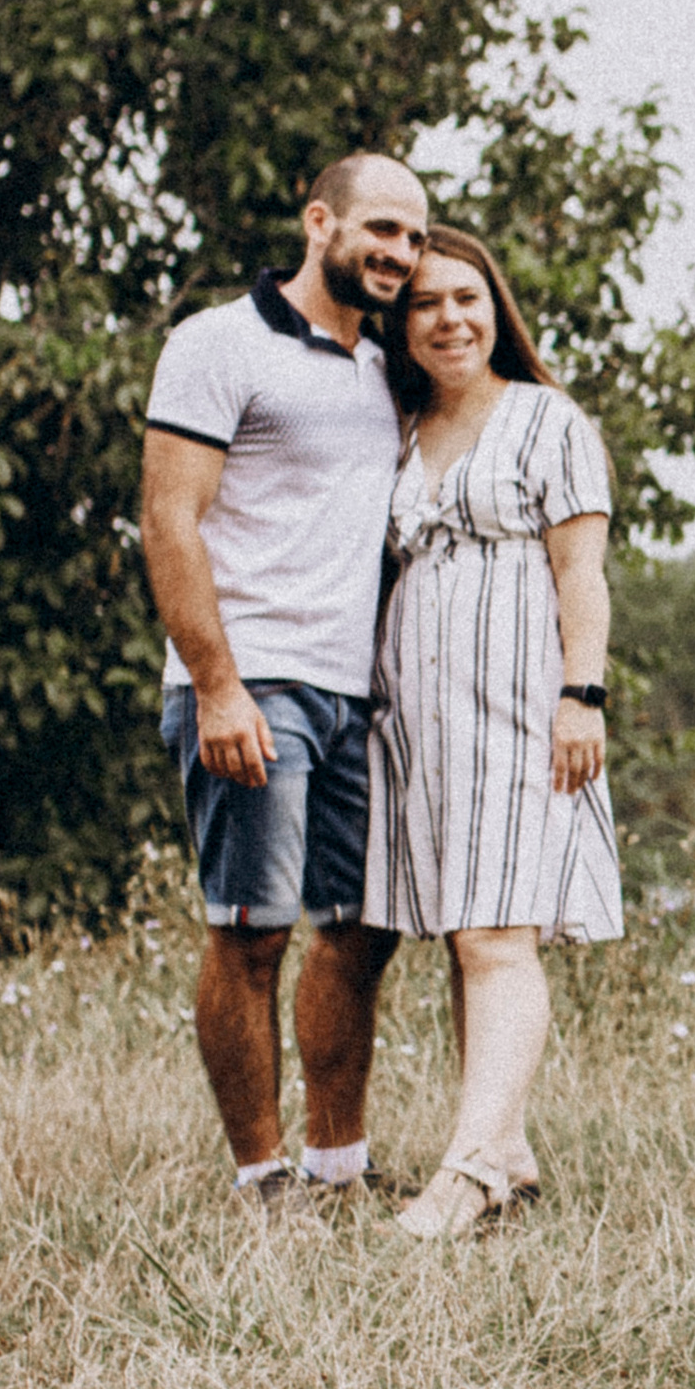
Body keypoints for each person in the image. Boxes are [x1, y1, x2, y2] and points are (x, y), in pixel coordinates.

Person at [140, 155, 429, 1220]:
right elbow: (169, 519)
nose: (398, 253)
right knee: (252, 929)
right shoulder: (218, 344)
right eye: (381, 229)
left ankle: (337, 1168)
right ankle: (262, 1184)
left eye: (414, 237)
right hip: (250, 679)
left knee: (360, 926)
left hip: (356, 692)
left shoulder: (384, 370)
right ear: (322, 222)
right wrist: (217, 686)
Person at [366, 224, 623, 1240]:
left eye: (467, 299)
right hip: (420, 722)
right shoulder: (400, 427)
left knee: (497, 935)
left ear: (496, 309)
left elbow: (580, 572)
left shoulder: (545, 421)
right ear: (404, 324)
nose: (449, 319)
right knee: (461, 935)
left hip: (522, 710)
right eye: (426, 303)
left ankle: (466, 1173)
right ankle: (509, 1156)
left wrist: (581, 695)